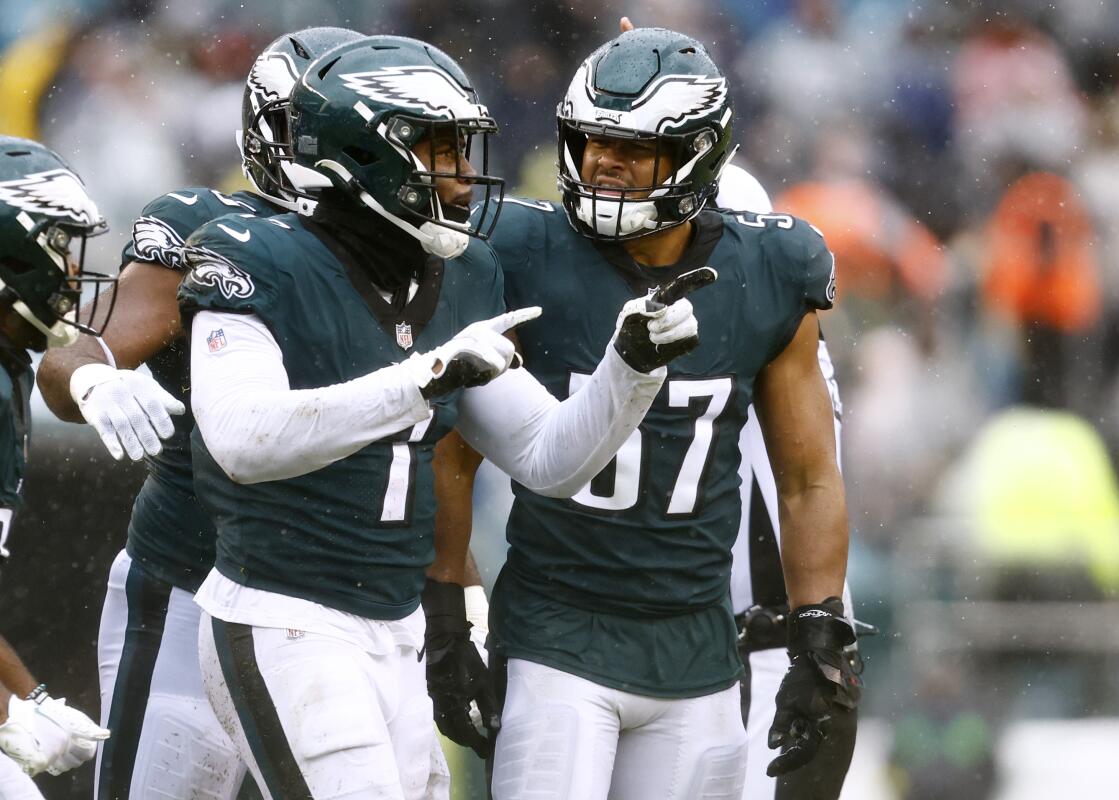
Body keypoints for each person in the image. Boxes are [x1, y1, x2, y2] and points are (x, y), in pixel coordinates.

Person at [180, 36, 704, 800]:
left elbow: (548, 456)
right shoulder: (257, 255)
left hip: (396, 631)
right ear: (365, 155)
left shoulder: (459, 273)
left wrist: (631, 370)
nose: (463, 177)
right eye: (441, 152)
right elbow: (242, 439)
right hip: (285, 614)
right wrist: (422, 379)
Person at [463, 27, 856, 800]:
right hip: (558, 628)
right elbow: (451, 446)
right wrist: (450, 603)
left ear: (699, 157)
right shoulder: (525, 252)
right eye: (592, 142)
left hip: (696, 646)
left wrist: (820, 630)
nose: (601, 164)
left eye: (630, 148)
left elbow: (808, 477)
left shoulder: (769, 272)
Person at [35, 27, 366, 800]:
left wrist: (455, 594)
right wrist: (95, 382)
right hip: (195, 579)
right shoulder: (207, 229)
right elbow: (73, 356)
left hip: (351, 601)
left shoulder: (431, 259)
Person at [717, 164, 863, 800]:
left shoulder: (761, 335)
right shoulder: (796, 326)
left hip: (769, 638)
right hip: (801, 631)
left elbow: (799, 484)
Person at [0, 135, 111, 797]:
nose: (73, 274)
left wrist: (27, 698)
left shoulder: (10, 366)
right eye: (57, 248)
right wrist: (14, 709)